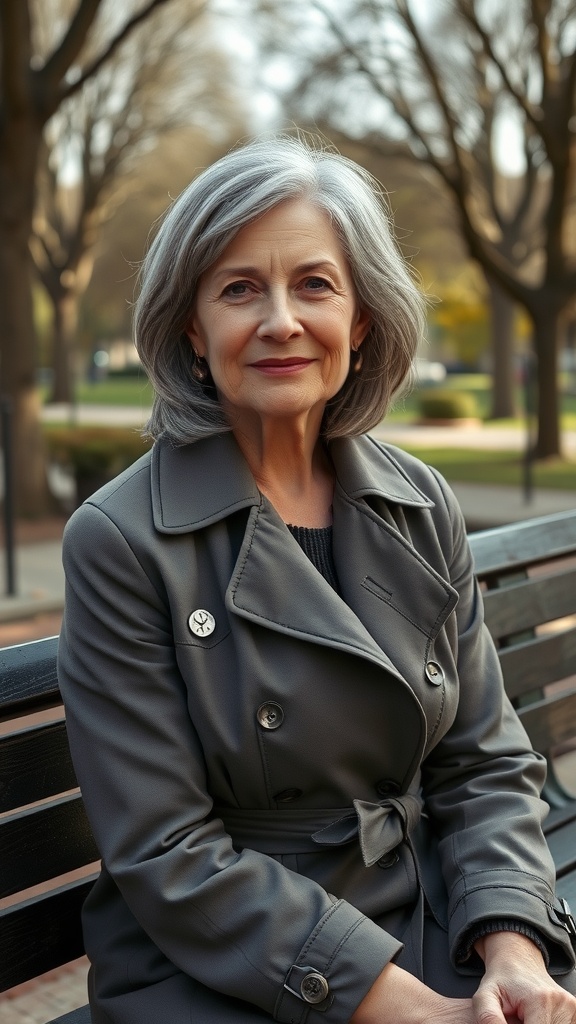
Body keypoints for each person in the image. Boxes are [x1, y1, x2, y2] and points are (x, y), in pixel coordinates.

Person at [58, 135, 576, 1024]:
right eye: (238, 289)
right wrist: (411, 1010)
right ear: (192, 325)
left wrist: (513, 946)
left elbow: (483, 762)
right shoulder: (118, 538)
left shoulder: (420, 501)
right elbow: (167, 851)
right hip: (230, 965)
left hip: (428, 907)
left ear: (362, 318)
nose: (281, 321)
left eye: (315, 285)